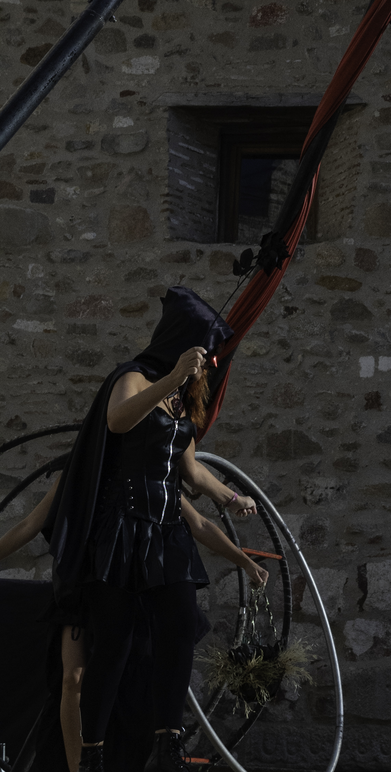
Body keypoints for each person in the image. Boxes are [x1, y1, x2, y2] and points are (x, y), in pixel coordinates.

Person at [43, 285, 260, 772]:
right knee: (114, 645)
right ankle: (93, 754)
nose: (204, 367)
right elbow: (118, 422)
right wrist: (175, 378)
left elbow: (193, 472)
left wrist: (232, 495)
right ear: (180, 343)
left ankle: (169, 745)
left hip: (166, 534)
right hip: (121, 532)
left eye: (206, 360)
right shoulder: (133, 378)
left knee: (180, 626)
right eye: (201, 355)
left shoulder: (182, 404)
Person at [0, 476, 268, 772]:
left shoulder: (150, 472)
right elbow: (28, 525)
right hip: (82, 588)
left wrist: (243, 560)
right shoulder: (78, 474)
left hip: (133, 593)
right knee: (73, 678)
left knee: (132, 687)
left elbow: (200, 523)